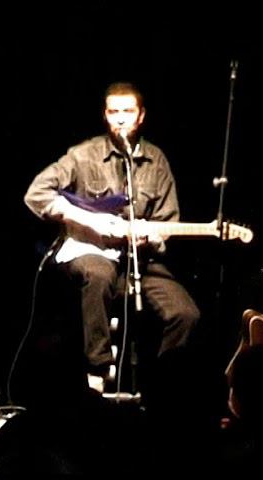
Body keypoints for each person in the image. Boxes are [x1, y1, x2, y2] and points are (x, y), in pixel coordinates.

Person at [23, 81, 200, 395]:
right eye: (113, 112)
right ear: (105, 116)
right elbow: (36, 195)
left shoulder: (156, 160)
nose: (120, 119)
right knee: (99, 274)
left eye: (127, 112)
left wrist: (150, 238)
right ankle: (97, 373)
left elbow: (167, 223)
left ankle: (165, 387)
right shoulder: (83, 155)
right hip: (91, 251)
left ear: (141, 116)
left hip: (139, 261)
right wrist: (88, 219)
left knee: (185, 313)